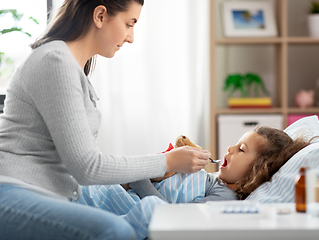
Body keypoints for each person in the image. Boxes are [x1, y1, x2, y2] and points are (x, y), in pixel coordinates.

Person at [0, 0, 210, 239]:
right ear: (100, 15)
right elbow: (88, 168)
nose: (131, 37)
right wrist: (167, 162)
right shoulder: (54, 61)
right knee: (115, 230)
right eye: (129, 24)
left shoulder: (72, 67)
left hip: (44, 194)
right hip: (13, 190)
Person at [129, 126, 312, 202]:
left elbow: (171, 216)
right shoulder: (215, 180)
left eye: (241, 149)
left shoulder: (224, 197)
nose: (230, 148)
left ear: (256, 172)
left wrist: (140, 177)